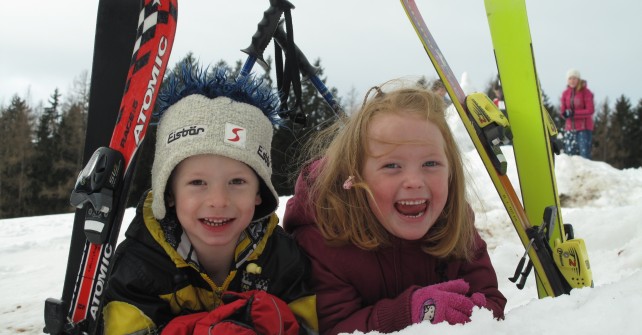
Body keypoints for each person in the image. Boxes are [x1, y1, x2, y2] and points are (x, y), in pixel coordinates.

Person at [102, 64, 317, 334]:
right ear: (169, 194)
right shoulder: (142, 264)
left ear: (259, 192)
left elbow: (306, 327)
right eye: (197, 183)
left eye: (237, 182)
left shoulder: (282, 260)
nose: (218, 200)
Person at [283, 84, 506, 335]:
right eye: (392, 165)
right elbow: (332, 328)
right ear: (355, 175)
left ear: (450, 171)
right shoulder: (325, 237)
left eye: (430, 163)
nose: (414, 181)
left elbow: (491, 301)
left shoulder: (455, 224)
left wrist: (474, 314)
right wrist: (406, 314)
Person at [560, 68, 595, 159]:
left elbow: (590, 110)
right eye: (570, 78)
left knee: (584, 156)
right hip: (569, 129)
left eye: (574, 78)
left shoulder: (586, 92)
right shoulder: (565, 93)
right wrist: (565, 114)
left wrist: (573, 113)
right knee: (570, 156)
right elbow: (562, 111)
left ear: (578, 80)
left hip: (584, 129)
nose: (572, 81)